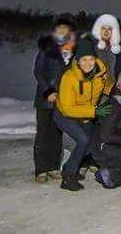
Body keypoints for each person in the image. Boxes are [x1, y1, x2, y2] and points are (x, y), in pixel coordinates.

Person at [54, 49, 114, 191]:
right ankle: (68, 177)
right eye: (84, 60)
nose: (88, 63)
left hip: (85, 113)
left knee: (92, 139)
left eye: (91, 59)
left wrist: (112, 91)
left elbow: (105, 84)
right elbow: (68, 108)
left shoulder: (100, 73)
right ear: (78, 61)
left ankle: (70, 166)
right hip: (64, 114)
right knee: (83, 139)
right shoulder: (69, 77)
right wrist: (94, 111)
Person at [32, 14, 75, 183]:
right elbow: (38, 72)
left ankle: (53, 167)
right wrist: (48, 91)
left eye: (66, 27)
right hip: (45, 98)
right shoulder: (47, 48)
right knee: (43, 133)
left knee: (57, 134)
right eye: (60, 27)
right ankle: (41, 169)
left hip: (62, 99)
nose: (63, 30)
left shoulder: (71, 49)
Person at [84, 13, 121, 80]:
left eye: (109, 29)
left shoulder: (115, 51)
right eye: (103, 28)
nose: (106, 31)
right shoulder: (91, 48)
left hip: (110, 87)